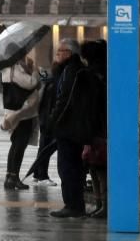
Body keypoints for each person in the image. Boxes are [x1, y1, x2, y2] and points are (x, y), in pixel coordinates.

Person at [48, 38, 95, 218]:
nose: (57, 54)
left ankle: (73, 205)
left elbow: (64, 100)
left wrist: (53, 121)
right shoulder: (75, 70)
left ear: (70, 53)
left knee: (67, 168)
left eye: (60, 51)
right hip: (75, 128)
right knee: (73, 168)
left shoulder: (71, 71)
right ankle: (75, 204)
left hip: (69, 129)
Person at [0, 55, 40, 191]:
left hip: (16, 111)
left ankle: (11, 176)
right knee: (19, 145)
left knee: (17, 144)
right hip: (22, 112)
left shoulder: (9, 68)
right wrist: (34, 70)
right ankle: (13, 177)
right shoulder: (14, 69)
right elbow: (31, 83)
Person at [80, 39, 108, 218]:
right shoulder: (107, 72)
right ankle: (102, 204)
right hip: (102, 125)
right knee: (98, 166)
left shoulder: (91, 74)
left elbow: (88, 103)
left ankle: (102, 203)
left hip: (95, 126)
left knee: (96, 167)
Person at [30, 63, 58, 187]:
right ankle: (42, 175)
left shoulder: (49, 81)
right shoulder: (54, 83)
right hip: (48, 120)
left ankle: (37, 173)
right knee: (47, 147)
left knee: (44, 146)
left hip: (44, 118)